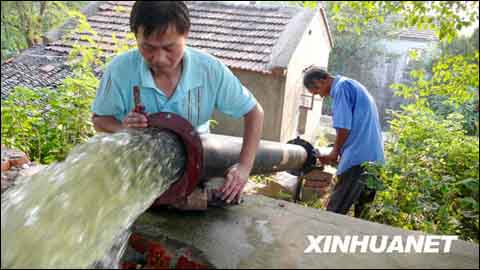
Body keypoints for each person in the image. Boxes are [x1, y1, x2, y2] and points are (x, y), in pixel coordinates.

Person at [91, 1, 264, 204]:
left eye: (169, 48)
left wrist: (244, 167)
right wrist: (123, 127)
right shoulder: (120, 70)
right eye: (147, 47)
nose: (159, 58)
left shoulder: (210, 71)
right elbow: (99, 120)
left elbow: (254, 112)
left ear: (186, 34)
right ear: (136, 36)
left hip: (194, 167)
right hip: (136, 169)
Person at [303, 67, 384, 217]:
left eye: (317, 90)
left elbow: (344, 127)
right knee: (363, 213)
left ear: (324, 79)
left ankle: (324, 239)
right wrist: (338, 151)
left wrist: (334, 153)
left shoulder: (341, 88)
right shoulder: (352, 85)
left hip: (358, 160)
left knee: (334, 212)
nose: (320, 95)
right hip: (374, 157)